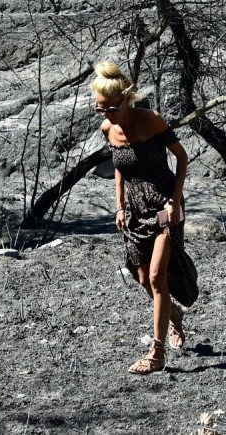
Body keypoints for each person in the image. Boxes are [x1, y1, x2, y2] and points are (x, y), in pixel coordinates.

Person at [91, 60, 199, 374]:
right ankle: (173, 315)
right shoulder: (107, 129)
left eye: (110, 108)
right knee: (142, 278)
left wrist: (175, 203)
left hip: (164, 203)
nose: (106, 115)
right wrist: (120, 207)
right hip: (135, 210)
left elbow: (181, 157)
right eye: (100, 110)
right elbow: (120, 169)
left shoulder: (152, 120)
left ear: (126, 99)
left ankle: (157, 353)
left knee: (156, 277)